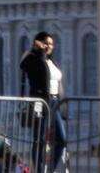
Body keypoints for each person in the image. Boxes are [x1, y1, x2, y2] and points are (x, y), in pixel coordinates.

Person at [19, 32, 66, 173]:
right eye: (46, 43)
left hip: (54, 102)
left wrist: (63, 105)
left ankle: (49, 169)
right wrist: (37, 52)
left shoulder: (51, 62)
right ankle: (39, 170)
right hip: (40, 101)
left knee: (62, 139)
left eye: (51, 44)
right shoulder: (33, 58)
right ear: (38, 43)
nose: (49, 46)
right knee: (38, 138)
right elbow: (24, 66)